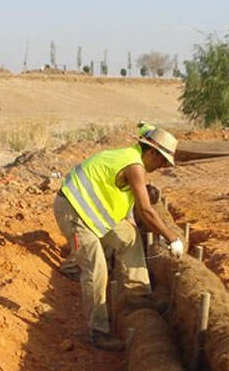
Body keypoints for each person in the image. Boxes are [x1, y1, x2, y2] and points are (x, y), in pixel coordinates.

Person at [53, 123, 184, 350]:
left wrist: (130, 220)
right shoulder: (134, 165)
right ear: (151, 152)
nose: (162, 166)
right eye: (162, 161)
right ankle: (98, 332)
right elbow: (147, 210)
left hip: (91, 214)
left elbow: (125, 201)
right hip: (73, 211)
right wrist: (172, 237)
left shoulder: (132, 160)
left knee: (130, 237)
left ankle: (138, 296)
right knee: (97, 269)